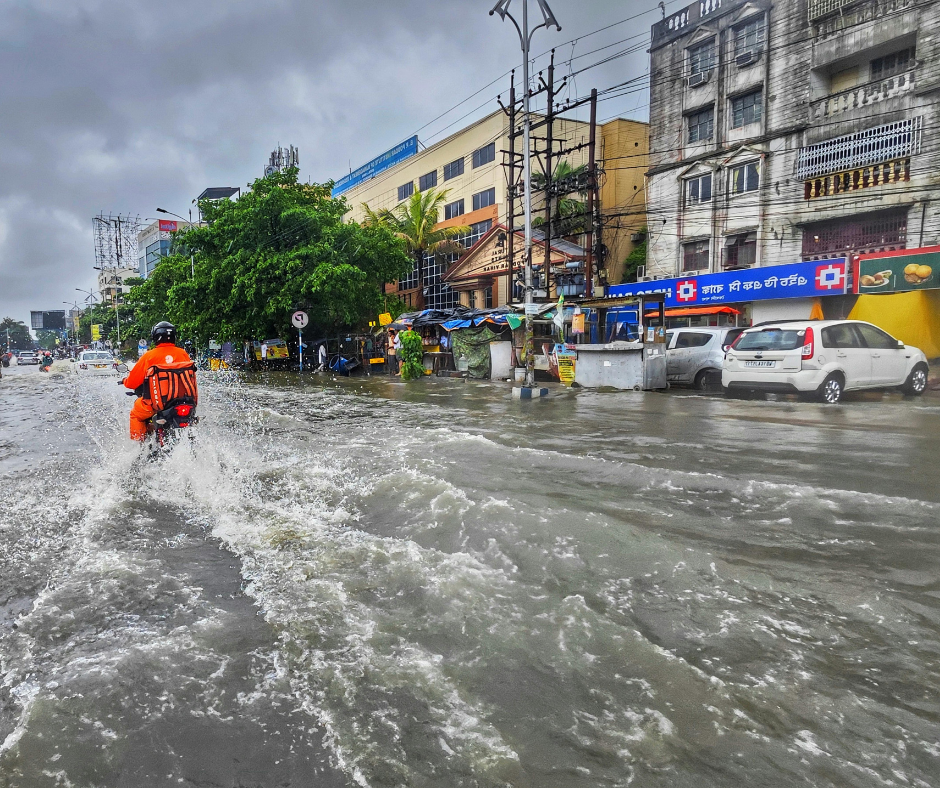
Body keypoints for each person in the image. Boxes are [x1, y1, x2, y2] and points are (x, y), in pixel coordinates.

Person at [121, 321, 194, 441]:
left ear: (155, 337)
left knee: (135, 415)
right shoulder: (183, 354)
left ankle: (139, 448)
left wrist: (125, 381)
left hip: (157, 405)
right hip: (184, 402)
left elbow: (132, 383)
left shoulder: (149, 356)